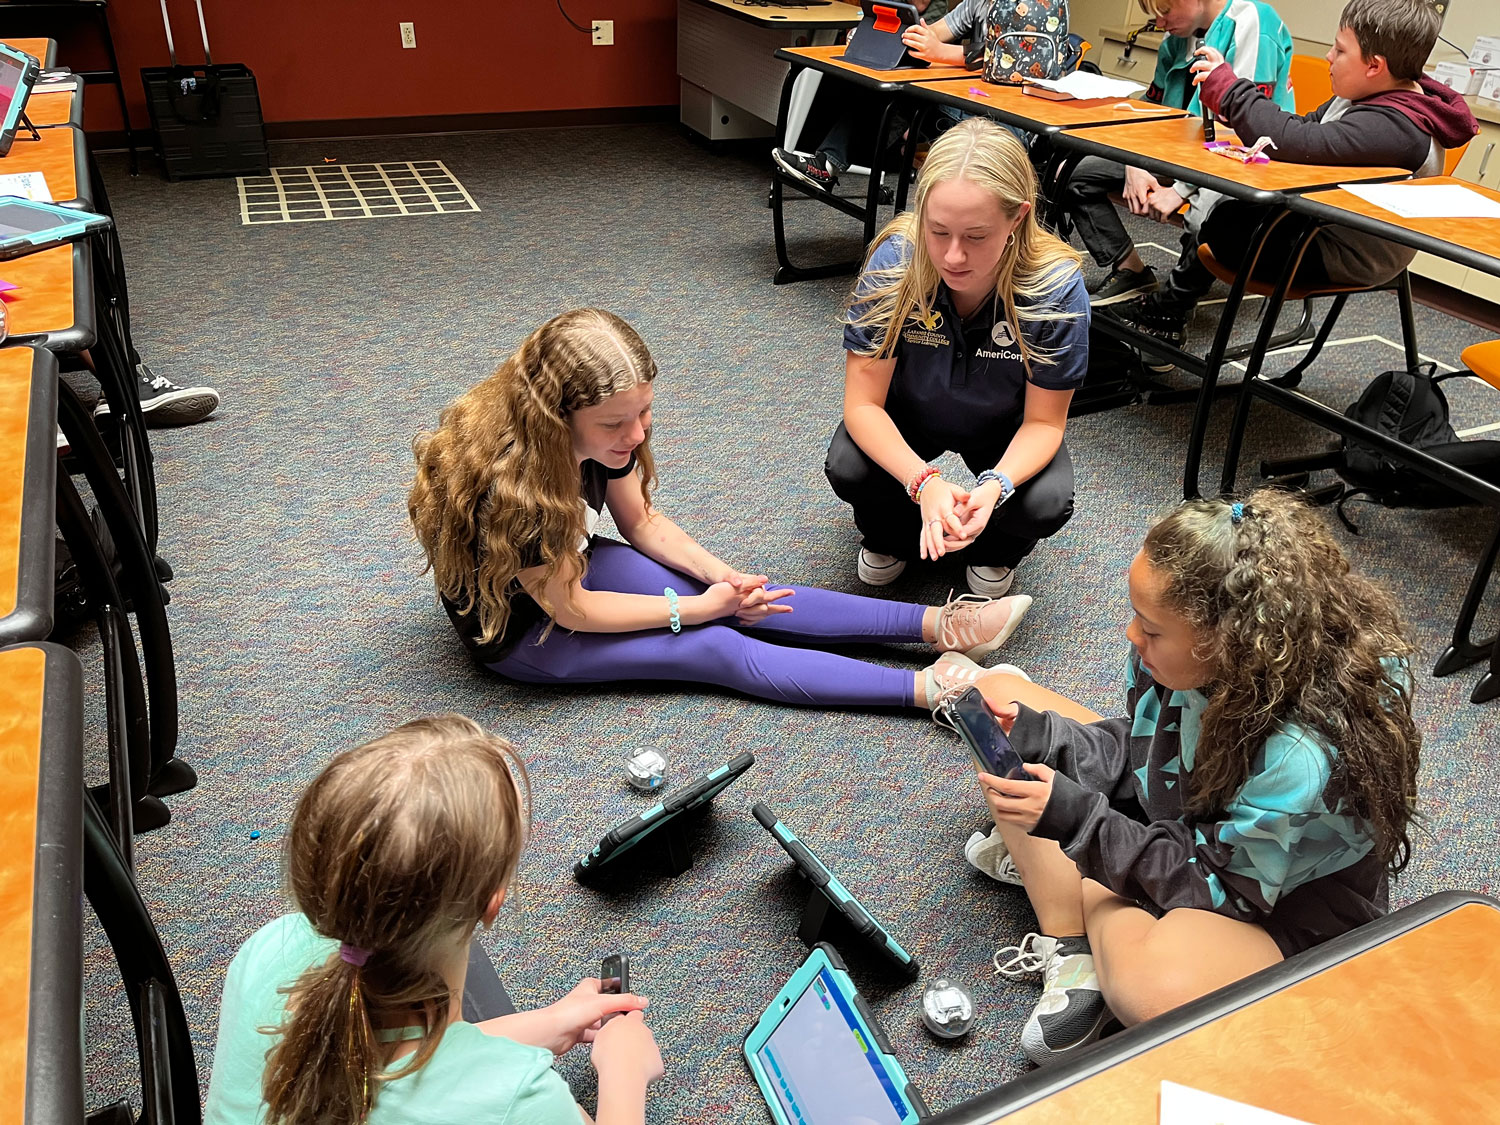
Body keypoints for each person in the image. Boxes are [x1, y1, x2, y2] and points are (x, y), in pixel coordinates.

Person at [955, 490, 1420, 1065]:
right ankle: (1078, 940)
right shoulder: (1184, 660)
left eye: (1151, 630)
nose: (1132, 637)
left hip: (1271, 904)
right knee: (997, 699)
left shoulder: (1297, 758)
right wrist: (1046, 736)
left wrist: (1080, 823)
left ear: (1229, 640)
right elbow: (1147, 747)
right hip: (1187, 824)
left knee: (1153, 991)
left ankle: (1085, 900)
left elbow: (1224, 890)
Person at [408, 308, 1034, 710]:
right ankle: (932, 691)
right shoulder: (511, 489)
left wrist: (720, 577)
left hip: (572, 563)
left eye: (644, 413)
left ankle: (936, 627)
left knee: (754, 597)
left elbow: (641, 522)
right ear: (556, 419)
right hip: (526, 628)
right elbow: (572, 608)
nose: (636, 433)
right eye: (615, 423)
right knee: (711, 646)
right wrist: (695, 608)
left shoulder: (606, 432)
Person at [202, 715, 665, 1124]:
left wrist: (550, 1022)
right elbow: (451, 1088)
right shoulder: (519, 1099)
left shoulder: (271, 946)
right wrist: (624, 1075)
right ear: (493, 902)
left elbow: (393, 1065)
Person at [1110, 0, 1479, 349]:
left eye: (1339, 50)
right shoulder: (1364, 94)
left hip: (1342, 251)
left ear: (1374, 66)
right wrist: (1234, 112)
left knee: (1222, 221)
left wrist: (1230, 90)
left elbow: (1295, 141)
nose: (1328, 56)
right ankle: (1170, 306)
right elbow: (1300, 129)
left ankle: (1168, 312)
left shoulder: (1397, 128)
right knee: (1223, 206)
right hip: (1318, 218)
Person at [827, 117, 1087, 600]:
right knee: (849, 465)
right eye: (938, 231)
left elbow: (1045, 425)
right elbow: (863, 405)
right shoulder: (896, 264)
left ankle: (994, 550)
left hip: (1002, 425)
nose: (952, 256)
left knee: (1047, 501)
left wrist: (995, 487)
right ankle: (891, 536)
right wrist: (922, 482)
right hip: (910, 414)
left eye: (976, 235)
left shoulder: (1054, 288)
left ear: (1018, 218)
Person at [1056, 0, 1294, 309]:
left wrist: (1180, 190)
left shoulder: (1252, 22)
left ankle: (1170, 312)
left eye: (1165, 10)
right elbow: (1154, 111)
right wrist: (1134, 160)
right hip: (1182, 154)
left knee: (1205, 212)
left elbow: (1237, 130)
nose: (1159, 21)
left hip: (1245, 162)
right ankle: (1131, 271)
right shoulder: (1178, 38)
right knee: (1073, 173)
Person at [772, 0, 953, 193]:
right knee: (855, 81)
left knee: (887, 95)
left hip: (951, 100)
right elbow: (931, 32)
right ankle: (824, 160)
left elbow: (923, 9)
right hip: (914, 64)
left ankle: (829, 164)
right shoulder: (972, 7)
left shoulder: (978, 7)